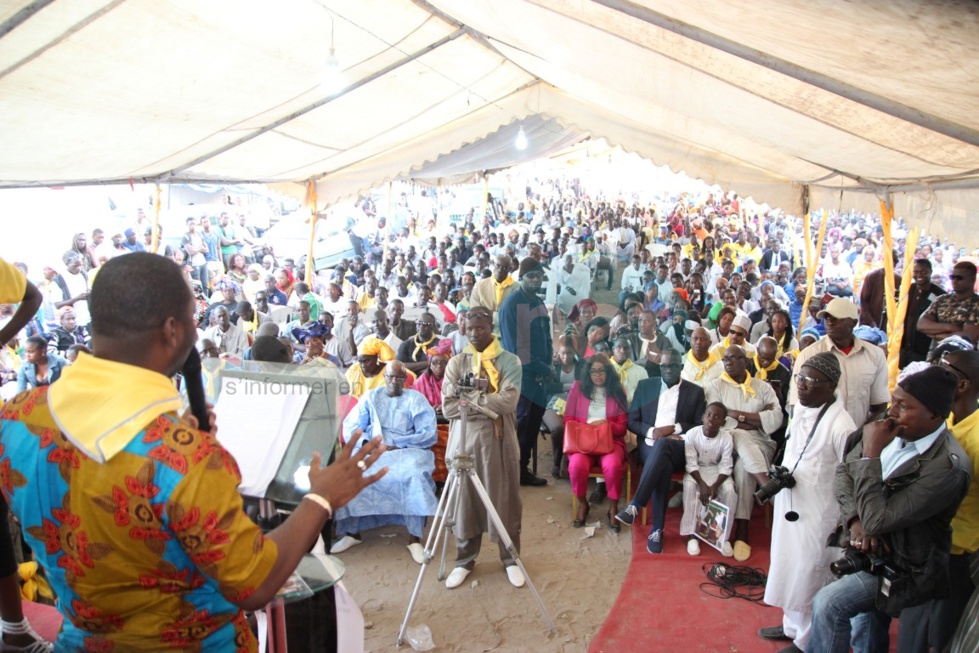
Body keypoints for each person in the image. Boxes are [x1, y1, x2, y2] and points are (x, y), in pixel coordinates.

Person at [0, 252, 388, 650]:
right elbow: (253, 585)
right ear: (172, 330)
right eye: (191, 317)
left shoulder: (14, 417)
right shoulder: (186, 459)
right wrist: (322, 498)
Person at [808, 366, 971, 653]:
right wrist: (856, 520)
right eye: (894, 400)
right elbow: (844, 473)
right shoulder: (892, 426)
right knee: (867, 624)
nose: (892, 411)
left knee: (829, 604)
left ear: (935, 415)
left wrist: (871, 455)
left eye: (904, 406)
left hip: (908, 567)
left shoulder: (947, 467)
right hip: (870, 551)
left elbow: (879, 518)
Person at [759, 353, 857, 653]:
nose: (800, 386)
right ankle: (791, 625)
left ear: (830, 386)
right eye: (799, 378)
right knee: (788, 563)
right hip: (791, 504)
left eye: (810, 381)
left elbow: (850, 475)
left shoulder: (842, 425)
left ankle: (805, 641)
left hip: (819, 512)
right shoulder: (801, 407)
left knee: (810, 571)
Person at [897, 350, 979, 652]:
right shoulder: (951, 421)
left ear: (963, 385)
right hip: (928, 547)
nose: (935, 370)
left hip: (954, 552)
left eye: (945, 368)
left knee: (928, 637)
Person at [441, 307, 525, 589]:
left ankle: (511, 559)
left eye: (480, 327)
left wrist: (470, 400)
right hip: (463, 442)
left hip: (498, 443)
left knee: (504, 500)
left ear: (490, 326)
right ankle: (464, 561)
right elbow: (449, 407)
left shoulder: (509, 361)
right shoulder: (456, 363)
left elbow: (508, 403)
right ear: (463, 328)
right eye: (469, 328)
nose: (474, 333)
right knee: (464, 502)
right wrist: (487, 402)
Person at [331, 361, 438, 566]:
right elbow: (352, 426)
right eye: (391, 377)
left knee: (412, 475)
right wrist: (369, 444)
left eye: (399, 377)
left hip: (408, 449)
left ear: (405, 379)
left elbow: (428, 433)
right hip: (374, 447)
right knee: (350, 473)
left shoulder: (415, 399)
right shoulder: (371, 397)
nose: (394, 381)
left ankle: (414, 538)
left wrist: (398, 444)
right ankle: (352, 533)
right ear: (384, 377)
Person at [615, 348, 707, 552]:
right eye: (663, 366)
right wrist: (652, 431)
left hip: (680, 447)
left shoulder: (695, 391)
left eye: (672, 365)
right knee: (661, 459)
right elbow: (632, 421)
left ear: (681, 367)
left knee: (664, 445)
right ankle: (657, 529)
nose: (667, 370)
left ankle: (635, 506)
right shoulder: (645, 386)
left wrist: (674, 428)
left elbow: (700, 425)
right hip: (650, 444)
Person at [705, 345, 783, 561]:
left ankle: (742, 531)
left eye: (734, 358)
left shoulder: (762, 386)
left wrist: (735, 414)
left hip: (761, 444)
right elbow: (717, 420)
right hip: (726, 443)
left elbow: (776, 418)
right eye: (725, 358)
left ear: (746, 361)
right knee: (739, 435)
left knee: (742, 466)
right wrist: (755, 418)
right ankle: (768, 487)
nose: (728, 361)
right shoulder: (716, 386)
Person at [790, 298, 889, 428]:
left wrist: (860, 438)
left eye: (836, 318)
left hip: (859, 437)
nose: (830, 322)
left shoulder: (875, 355)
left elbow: (879, 406)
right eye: (827, 317)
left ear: (853, 323)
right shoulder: (809, 355)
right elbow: (796, 407)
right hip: (820, 440)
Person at [498, 257, 552, 487]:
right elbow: (516, 348)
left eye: (539, 276)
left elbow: (547, 339)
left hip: (540, 376)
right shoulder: (511, 304)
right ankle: (511, 471)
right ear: (521, 278)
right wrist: (543, 368)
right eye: (531, 276)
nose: (536, 279)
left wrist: (547, 367)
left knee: (533, 423)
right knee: (521, 423)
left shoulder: (539, 302)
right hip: (520, 376)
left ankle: (522, 469)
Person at [564, 355, 629, 532]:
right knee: (576, 466)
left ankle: (613, 507)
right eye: (593, 371)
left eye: (602, 370)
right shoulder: (577, 389)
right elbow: (568, 419)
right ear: (587, 372)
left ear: (608, 372)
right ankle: (583, 504)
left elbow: (622, 427)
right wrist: (586, 428)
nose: (597, 375)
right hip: (582, 441)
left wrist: (606, 425)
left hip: (610, 440)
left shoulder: (617, 391)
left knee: (613, 465)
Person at [680, 402, 736, 557]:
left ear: (723, 423)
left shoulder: (726, 438)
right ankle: (692, 534)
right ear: (703, 417)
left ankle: (723, 536)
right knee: (690, 487)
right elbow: (691, 464)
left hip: (718, 472)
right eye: (709, 415)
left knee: (730, 491)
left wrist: (716, 485)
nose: (712, 419)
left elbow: (726, 465)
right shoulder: (692, 434)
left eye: (717, 417)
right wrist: (703, 485)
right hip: (697, 472)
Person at [918, 260, 979, 346]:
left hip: (963, 357)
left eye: (959, 277)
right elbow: (921, 325)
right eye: (952, 277)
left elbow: (968, 337)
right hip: (935, 357)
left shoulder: (976, 304)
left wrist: (937, 335)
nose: (954, 280)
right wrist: (951, 327)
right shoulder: (942, 299)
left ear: (972, 279)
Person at [900, 258, 946, 366]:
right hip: (904, 348)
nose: (919, 275)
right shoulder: (908, 289)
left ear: (930, 272)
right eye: (916, 272)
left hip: (923, 350)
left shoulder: (940, 295)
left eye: (924, 272)